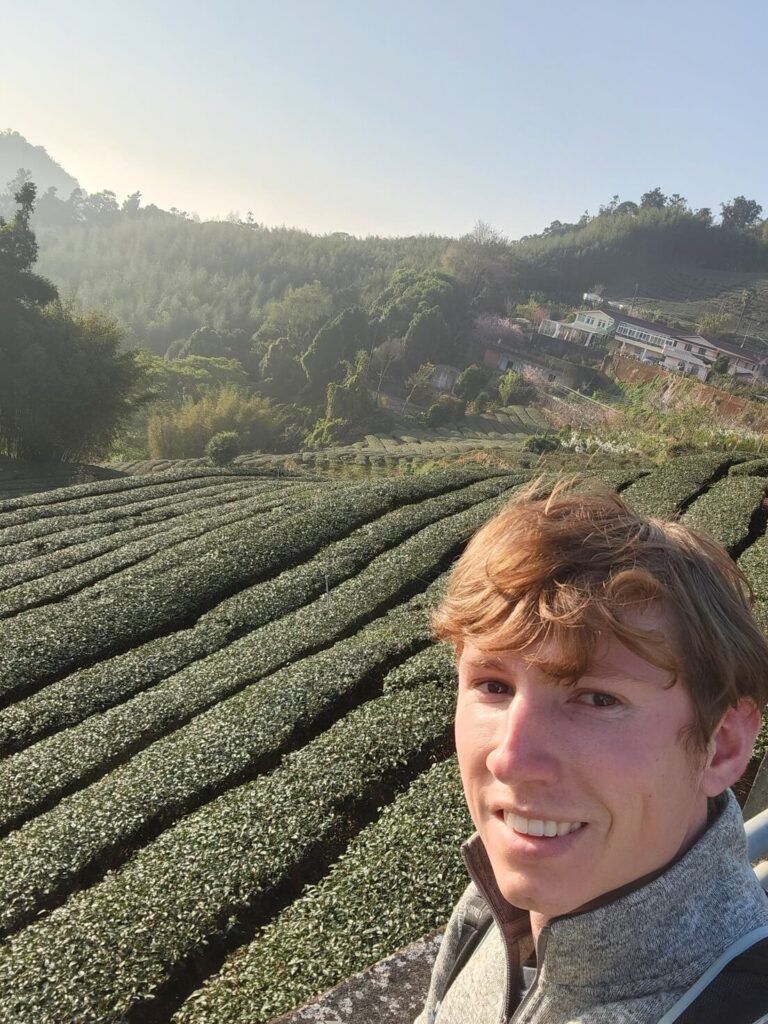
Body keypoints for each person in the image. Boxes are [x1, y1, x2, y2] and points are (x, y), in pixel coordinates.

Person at [415, 477, 768, 1024]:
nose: (510, 760)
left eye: (597, 698)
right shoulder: (492, 908)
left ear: (721, 746)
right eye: (493, 686)